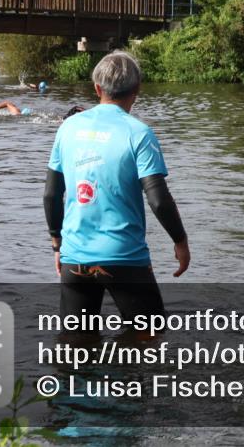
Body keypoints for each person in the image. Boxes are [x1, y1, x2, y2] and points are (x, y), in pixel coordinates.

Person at [44, 51, 190, 331]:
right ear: (137, 90)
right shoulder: (139, 133)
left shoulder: (68, 128)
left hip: (75, 257)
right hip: (124, 258)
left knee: (76, 349)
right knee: (149, 339)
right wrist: (180, 242)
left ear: (97, 89)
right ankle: (127, 375)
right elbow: (158, 200)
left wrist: (57, 243)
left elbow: (51, 194)